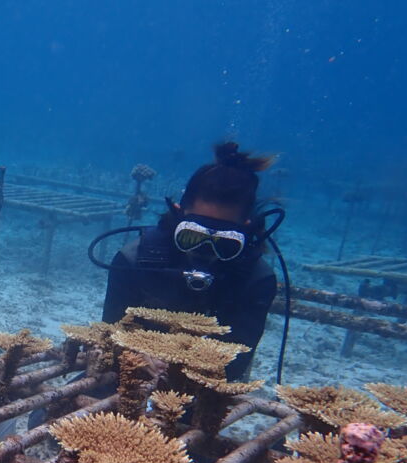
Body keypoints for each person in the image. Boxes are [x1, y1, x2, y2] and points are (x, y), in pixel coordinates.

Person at [102, 142, 280, 380]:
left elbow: (238, 358)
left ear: (246, 230)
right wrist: (134, 358)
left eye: (224, 241)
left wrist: (183, 372)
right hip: (129, 370)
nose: (205, 250)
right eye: (192, 236)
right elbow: (110, 332)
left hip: (207, 383)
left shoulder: (257, 279)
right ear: (178, 214)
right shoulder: (133, 259)